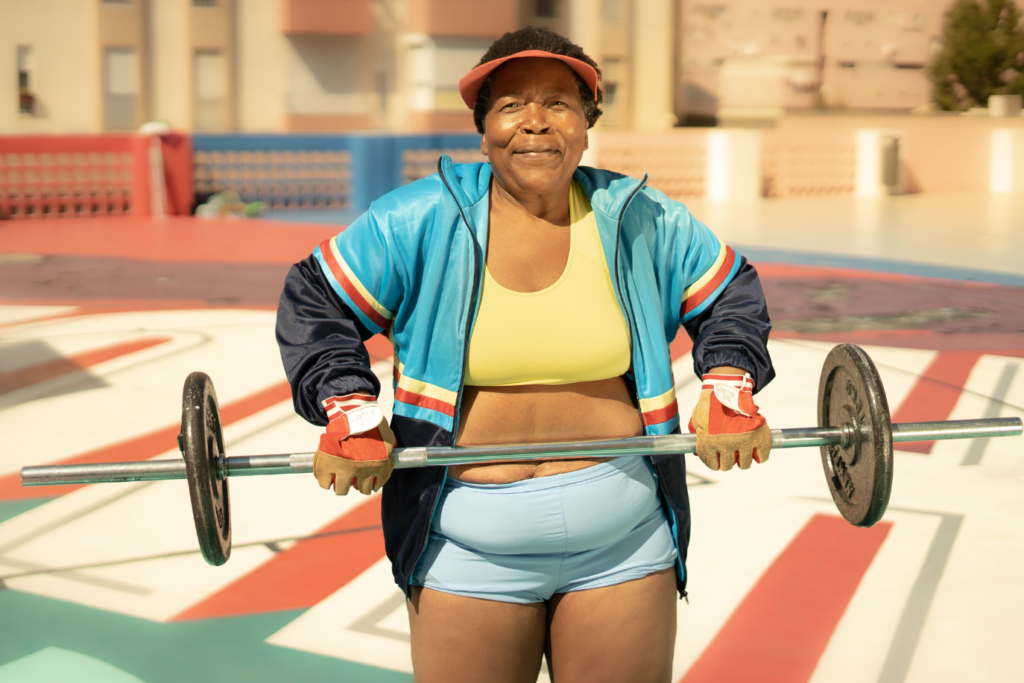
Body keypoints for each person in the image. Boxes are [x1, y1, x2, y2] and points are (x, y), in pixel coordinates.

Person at [277, 26, 774, 683]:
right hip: (467, 547)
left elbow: (730, 293)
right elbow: (315, 300)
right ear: (483, 129)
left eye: (559, 103)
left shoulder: (639, 217)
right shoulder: (418, 219)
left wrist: (729, 387)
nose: (535, 122)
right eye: (511, 105)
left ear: (588, 124)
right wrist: (349, 407)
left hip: (624, 542)